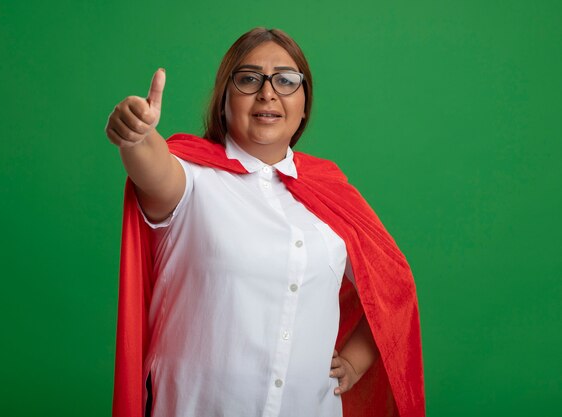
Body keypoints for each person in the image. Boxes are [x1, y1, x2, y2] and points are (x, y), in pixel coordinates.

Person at [106, 28, 425, 417]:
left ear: (305, 105)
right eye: (249, 79)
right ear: (224, 99)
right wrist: (137, 135)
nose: (268, 93)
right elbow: (152, 167)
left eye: (287, 81)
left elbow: (392, 287)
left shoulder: (332, 193)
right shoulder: (191, 178)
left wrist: (355, 361)